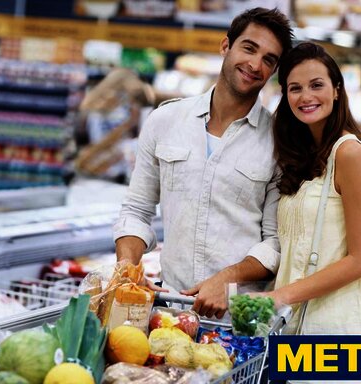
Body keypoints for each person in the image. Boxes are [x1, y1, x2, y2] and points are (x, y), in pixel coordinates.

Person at [113, 8, 294, 319]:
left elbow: (276, 242)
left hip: (238, 320)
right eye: (249, 48)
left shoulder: (280, 143)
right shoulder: (165, 120)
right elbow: (137, 210)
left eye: (268, 60)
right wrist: (128, 267)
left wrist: (226, 280)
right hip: (167, 310)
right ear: (225, 46)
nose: (255, 64)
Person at [262, 42, 361, 335]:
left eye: (317, 85)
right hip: (295, 325)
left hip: (337, 328)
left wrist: (280, 296)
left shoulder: (348, 153)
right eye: (295, 88)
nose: (306, 97)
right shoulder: (300, 156)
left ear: (337, 90)